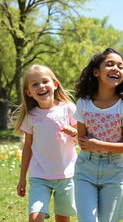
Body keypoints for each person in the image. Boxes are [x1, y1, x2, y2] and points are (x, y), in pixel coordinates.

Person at [73, 47, 123, 222]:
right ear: (96, 72)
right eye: (110, 64)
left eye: (120, 67)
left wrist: (98, 145)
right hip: (85, 168)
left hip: (115, 170)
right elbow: (83, 142)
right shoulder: (83, 103)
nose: (116, 69)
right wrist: (91, 146)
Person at [15, 64, 77, 222]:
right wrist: (22, 178)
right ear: (28, 92)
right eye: (35, 84)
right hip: (39, 176)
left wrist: (74, 132)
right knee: (35, 218)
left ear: (55, 84)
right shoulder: (31, 116)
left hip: (67, 175)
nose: (41, 86)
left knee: (63, 218)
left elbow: (82, 140)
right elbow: (27, 148)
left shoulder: (69, 109)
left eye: (45, 82)